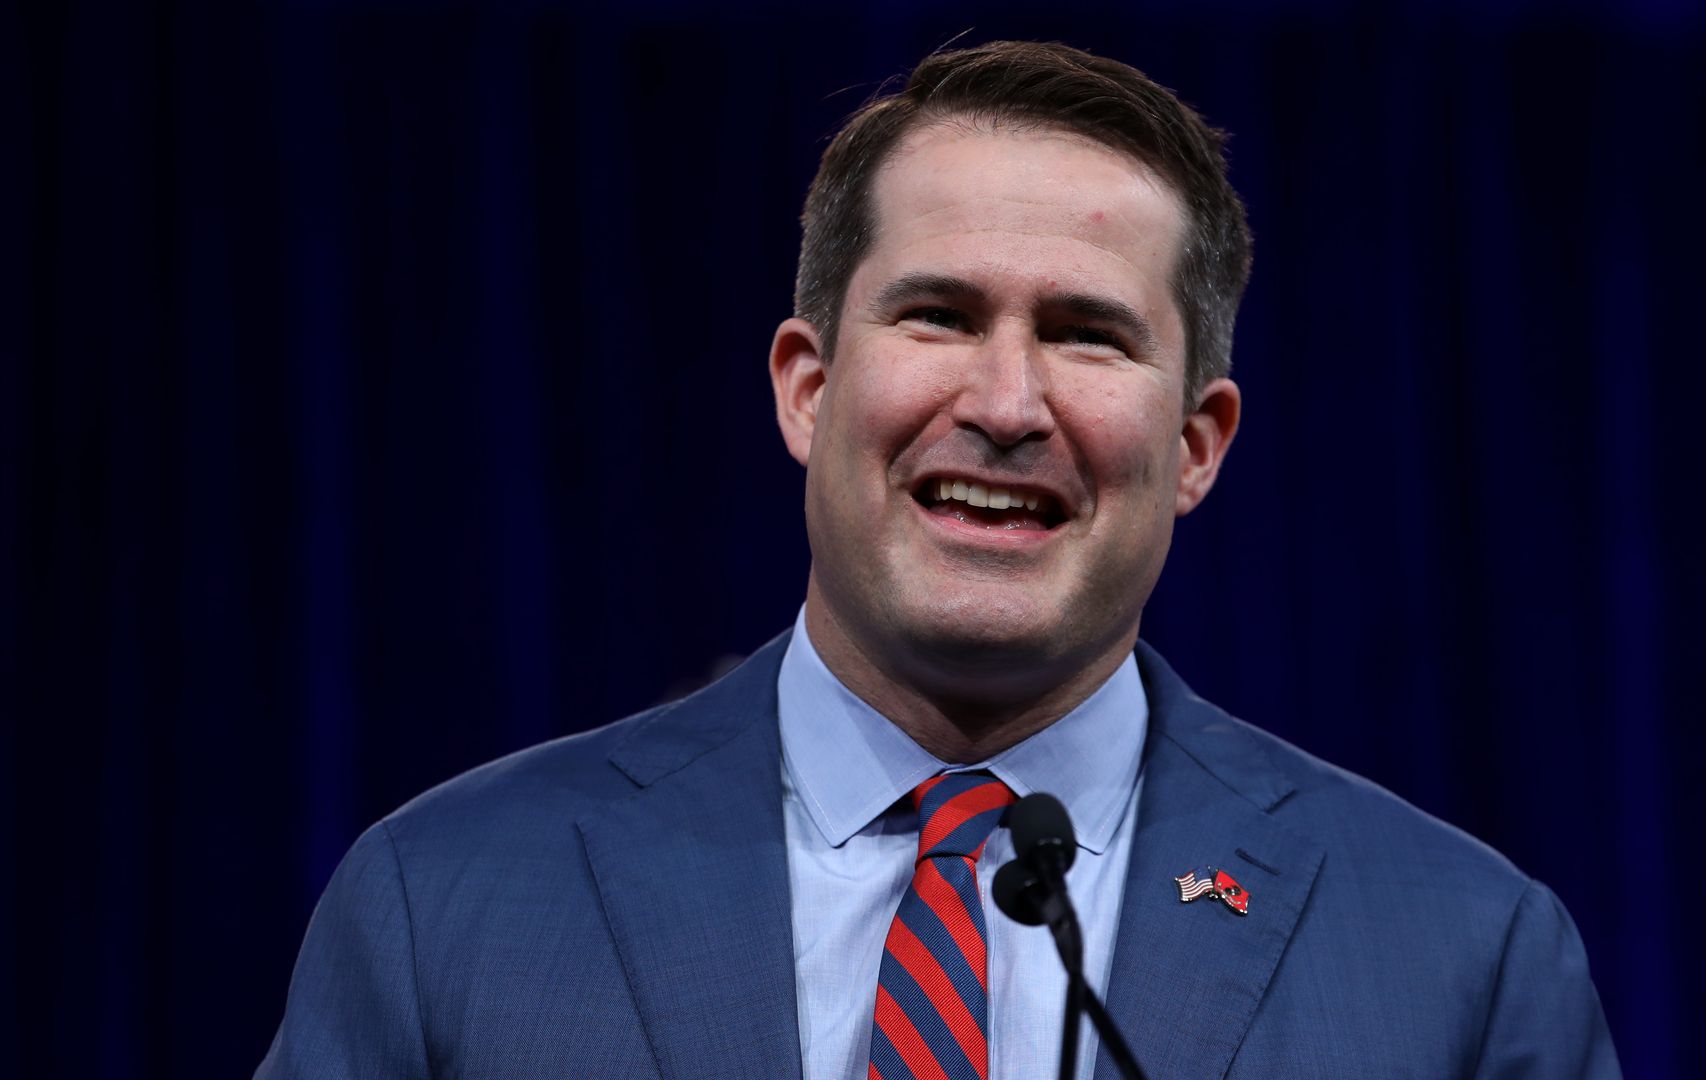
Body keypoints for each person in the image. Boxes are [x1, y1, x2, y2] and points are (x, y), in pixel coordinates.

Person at [258, 41, 1619, 1080]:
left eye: (1089, 333)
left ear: (1199, 443)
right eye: (940, 315)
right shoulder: (448, 907)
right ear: (806, 388)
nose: (1008, 403)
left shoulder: (1460, 961)